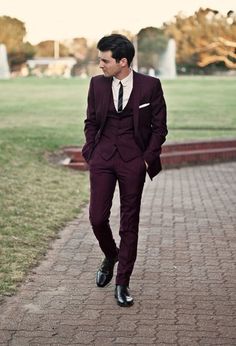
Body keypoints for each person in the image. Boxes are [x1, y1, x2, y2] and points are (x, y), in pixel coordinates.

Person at [82, 34, 168, 307]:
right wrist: (91, 152)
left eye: (104, 60)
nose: (100, 65)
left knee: (129, 223)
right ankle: (111, 254)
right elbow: (91, 121)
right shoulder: (97, 85)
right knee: (97, 218)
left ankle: (122, 283)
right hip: (103, 159)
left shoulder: (150, 86)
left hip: (134, 161)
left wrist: (145, 160)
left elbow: (159, 128)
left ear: (123, 61)